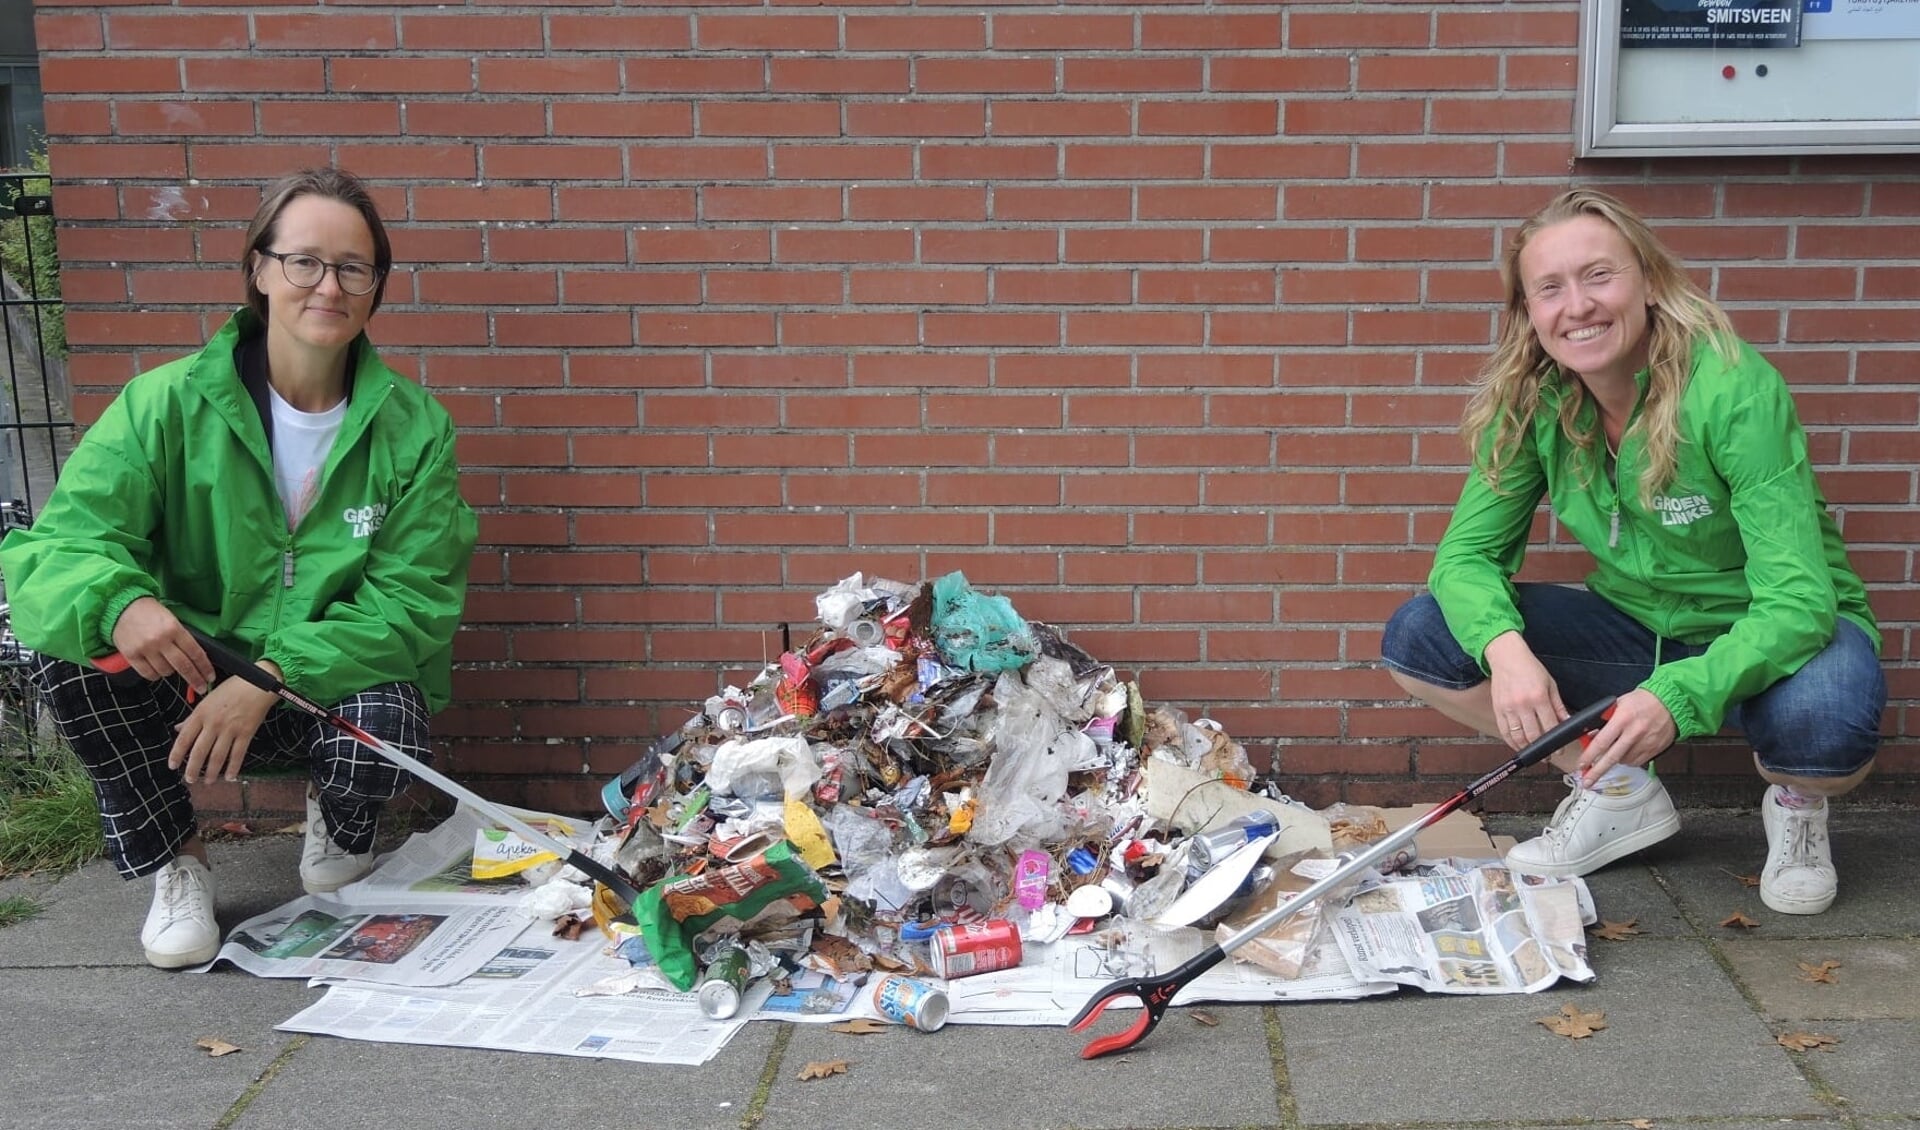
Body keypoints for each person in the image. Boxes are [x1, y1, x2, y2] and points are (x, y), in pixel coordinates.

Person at [0, 167, 477, 967]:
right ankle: (177, 863)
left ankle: (343, 819)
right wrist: (119, 603)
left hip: (312, 677)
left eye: (353, 267)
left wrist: (267, 675)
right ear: (259, 268)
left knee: (390, 717)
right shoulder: (166, 404)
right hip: (186, 671)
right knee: (74, 659)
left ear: (376, 287)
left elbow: (411, 604)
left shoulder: (415, 430)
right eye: (304, 261)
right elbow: (57, 550)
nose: (328, 284)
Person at [1381, 187, 1885, 916]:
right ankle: (1614, 790)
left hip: (1784, 635)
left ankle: (1799, 805)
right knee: (1424, 635)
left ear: (1648, 282)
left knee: (1823, 734)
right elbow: (1462, 561)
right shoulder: (1534, 401)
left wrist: (1677, 696)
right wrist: (1506, 651)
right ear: (1529, 313)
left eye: (1598, 276)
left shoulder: (1734, 390)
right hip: (1641, 629)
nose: (1576, 305)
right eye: (1549, 289)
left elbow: (1801, 602)